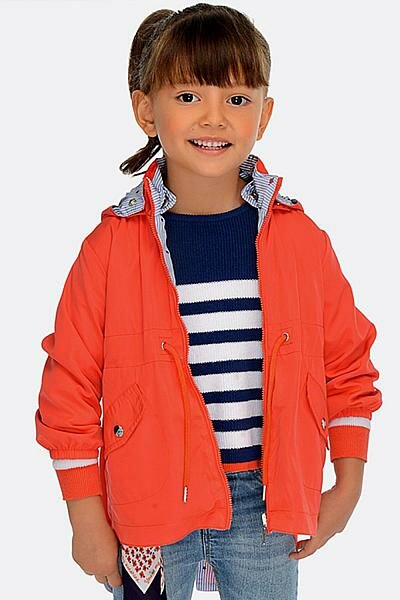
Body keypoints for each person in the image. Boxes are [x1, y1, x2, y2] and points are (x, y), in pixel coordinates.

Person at [34, 4, 383, 600]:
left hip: (265, 502)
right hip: (146, 505)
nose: (214, 117)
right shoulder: (110, 249)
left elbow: (348, 366)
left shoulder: (301, 241)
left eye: (237, 98)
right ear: (146, 110)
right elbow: (69, 389)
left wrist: (348, 484)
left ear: (264, 115)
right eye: (189, 96)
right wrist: (83, 515)